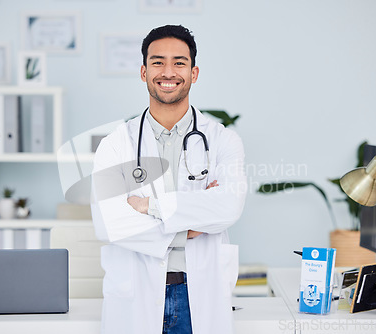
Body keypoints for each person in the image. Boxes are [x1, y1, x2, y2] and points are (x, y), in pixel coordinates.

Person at [91, 25, 247, 334]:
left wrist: (148, 206)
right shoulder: (115, 144)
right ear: (143, 71)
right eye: (158, 61)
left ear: (194, 72)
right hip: (134, 294)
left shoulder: (223, 141)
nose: (168, 71)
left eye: (179, 62)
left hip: (198, 295)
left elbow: (228, 207)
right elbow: (108, 222)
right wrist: (188, 227)